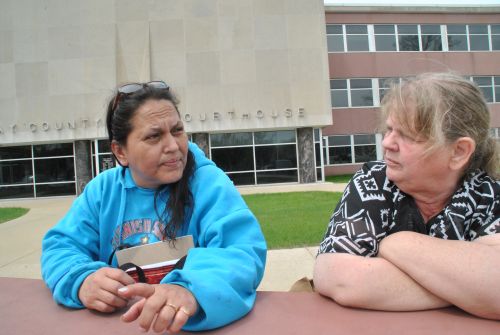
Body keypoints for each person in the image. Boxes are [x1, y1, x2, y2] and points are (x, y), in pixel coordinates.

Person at [41, 81, 267, 333]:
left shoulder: (209, 184)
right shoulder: (101, 192)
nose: (172, 145)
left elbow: (241, 252)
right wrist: (82, 279)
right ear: (120, 151)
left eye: (177, 130)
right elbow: (61, 246)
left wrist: (188, 289)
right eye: (154, 136)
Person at [314, 72, 500, 320]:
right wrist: (469, 288)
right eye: (389, 130)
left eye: (408, 135)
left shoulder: (488, 197)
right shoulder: (373, 183)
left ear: (459, 151)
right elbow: (339, 278)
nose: (387, 143)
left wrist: (397, 244)